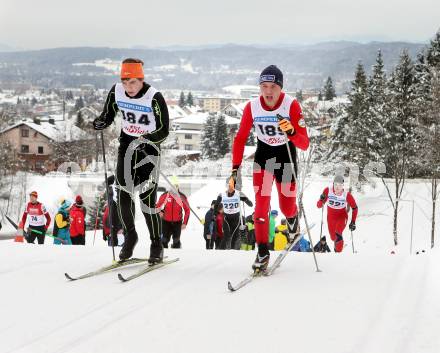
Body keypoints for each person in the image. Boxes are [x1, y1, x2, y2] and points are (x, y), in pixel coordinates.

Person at [230, 65, 309, 271]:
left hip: (286, 158)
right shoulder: (252, 107)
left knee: (286, 206)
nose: (268, 91)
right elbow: (239, 139)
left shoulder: (291, 105)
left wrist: (291, 130)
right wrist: (235, 169)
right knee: (261, 206)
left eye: (273, 86)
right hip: (263, 158)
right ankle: (262, 251)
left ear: (280, 88)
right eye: (264, 86)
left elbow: (304, 143)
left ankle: (293, 220)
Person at [93, 58, 169, 264]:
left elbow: (164, 130)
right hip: (127, 147)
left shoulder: (154, 97)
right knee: (123, 195)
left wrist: (149, 140)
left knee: (147, 201)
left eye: (133, 82)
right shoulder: (116, 91)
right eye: (125, 82)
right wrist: (101, 121)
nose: (129, 87)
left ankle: (156, 243)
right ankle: (130, 236)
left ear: (141, 80)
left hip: (149, 150)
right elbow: (108, 114)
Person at [317, 175, 358, 252]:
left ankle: (338, 254)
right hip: (330, 218)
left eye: (340, 185)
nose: (337, 187)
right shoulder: (327, 191)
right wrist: (321, 200)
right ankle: (337, 247)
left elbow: (355, 208)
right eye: (335, 184)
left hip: (342, 216)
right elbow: (319, 206)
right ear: (333, 184)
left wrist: (353, 221)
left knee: (338, 233)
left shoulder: (346, 195)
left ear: (343, 186)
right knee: (333, 238)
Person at [214, 184, 253, 250]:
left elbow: (250, 204)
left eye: (232, 187)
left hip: (236, 218)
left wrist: (246, 200)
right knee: (226, 235)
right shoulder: (222, 195)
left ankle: (232, 250)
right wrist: (215, 214)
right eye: (229, 187)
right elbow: (216, 205)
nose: (230, 189)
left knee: (235, 236)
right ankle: (220, 250)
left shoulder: (238, 194)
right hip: (227, 218)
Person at [156, 177, 190, 249]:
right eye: (172, 186)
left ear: (178, 186)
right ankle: (163, 255)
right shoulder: (165, 195)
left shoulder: (182, 197)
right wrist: (159, 212)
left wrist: (184, 223)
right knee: (164, 240)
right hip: (166, 221)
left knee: (176, 241)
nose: (174, 188)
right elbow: (157, 206)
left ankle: (176, 251)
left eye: (176, 186)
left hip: (177, 222)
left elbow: (187, 210)